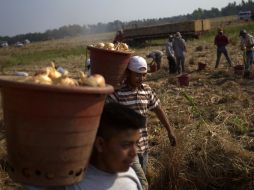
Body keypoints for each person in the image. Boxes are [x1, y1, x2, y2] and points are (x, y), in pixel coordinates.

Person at [25, 102, 146, 190]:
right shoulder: (69, 182)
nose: (134, 152)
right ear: (100, 144)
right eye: (126, 145)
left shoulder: (130, 177)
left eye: (136, 143)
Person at [107, 56, 177, 190]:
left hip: (144, 144)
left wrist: (170, 131)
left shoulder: (147, 90)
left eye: (144, 75)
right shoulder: (119, 93)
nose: (141, 78)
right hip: (127, 148)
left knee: (138, 180)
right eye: (137, 75)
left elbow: (158, 109)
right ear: (128, 73)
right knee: (142, 184)